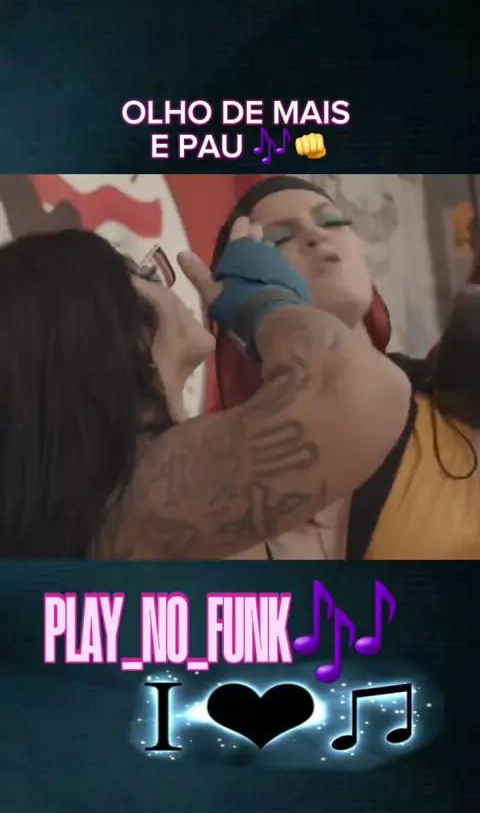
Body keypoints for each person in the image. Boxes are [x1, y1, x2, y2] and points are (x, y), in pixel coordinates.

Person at [0, 222, 410, 559]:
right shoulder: (127, 496)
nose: (168, 285)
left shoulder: (121, 494)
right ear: (112, 326)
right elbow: (365, 393)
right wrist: (266, 303)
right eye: (145, 274)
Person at [210, 176, 480, 560]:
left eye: (332, 221)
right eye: (278, 238)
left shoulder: (456, 391)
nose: (316, 235)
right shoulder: (226, 481)